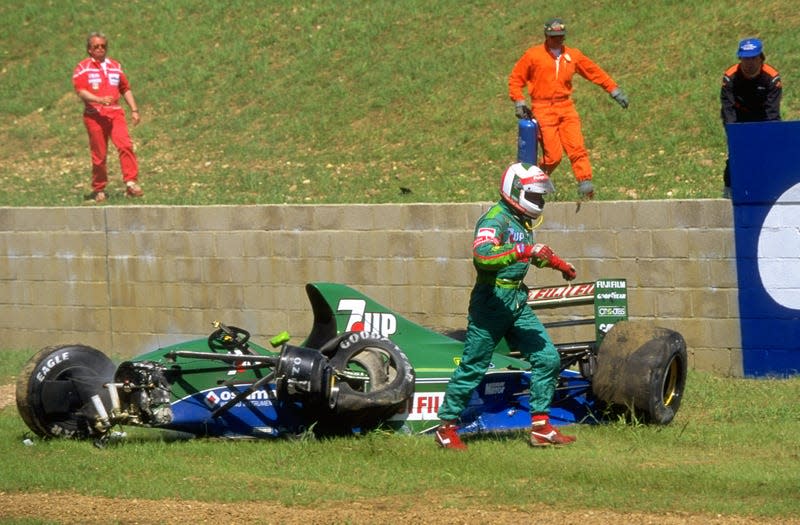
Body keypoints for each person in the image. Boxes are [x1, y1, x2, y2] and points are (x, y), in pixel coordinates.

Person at [434, 162, 578, 450]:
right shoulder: (495, 219)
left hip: (516, 302)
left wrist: (557, 264)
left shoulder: (522, 220)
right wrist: (523, 250)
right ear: (516, 192)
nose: (540, 202)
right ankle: (446, 427)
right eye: (535, 195)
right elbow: (483, 256)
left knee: (547, 358)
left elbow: (528, 254)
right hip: (490, 303)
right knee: (473, 366)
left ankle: (540, 427)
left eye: (541, 196)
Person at [508, 18, 628, 200]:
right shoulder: (533, 55)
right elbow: (516, 79)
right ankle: (532, 180)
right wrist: (519, 101)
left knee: (577, 147)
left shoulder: (573, 56)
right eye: (554, 37)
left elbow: (593, 71)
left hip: (566, 107)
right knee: (553, 156)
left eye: (560, 37)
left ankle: (585, 182)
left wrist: (614, 90)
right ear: (546, 36)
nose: (558, 40)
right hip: (543, 108)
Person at [72, 31, 143, 203]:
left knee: (125, 145)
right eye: (96, 46)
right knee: (99, 154)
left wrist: (134, 109)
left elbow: (125, 88)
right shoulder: (83, 68)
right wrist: (98, 100)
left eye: (103, 46)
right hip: (94, 115)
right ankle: (99, 188)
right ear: (89, 49)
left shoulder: (115, 66)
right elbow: (81, 91)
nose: (100, 49)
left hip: (115, 113)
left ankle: (131, 183)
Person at [720, 38, 782, 199]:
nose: (749, 63)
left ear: (761, 58)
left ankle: (770, 193)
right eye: (745, 59)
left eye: (753, 58)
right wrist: (734, 135)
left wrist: (770, 137)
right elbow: (728, 110)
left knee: (767, 155)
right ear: (740, 59)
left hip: (764, 116)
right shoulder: (729, 77)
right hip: (739, 117)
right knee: (736, 157)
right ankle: (729, 194)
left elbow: (772, 112)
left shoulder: (772, 78)